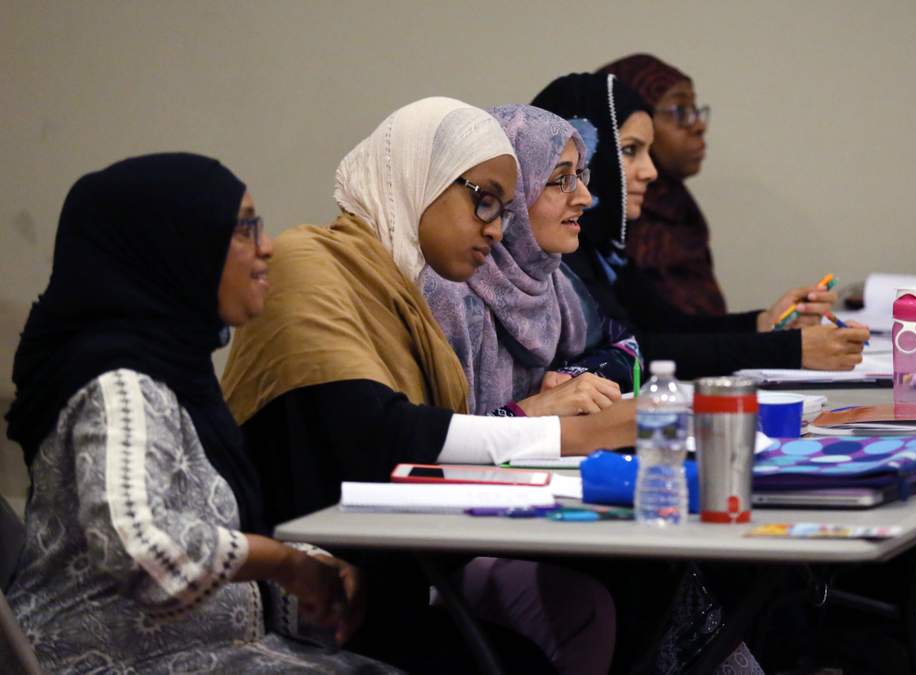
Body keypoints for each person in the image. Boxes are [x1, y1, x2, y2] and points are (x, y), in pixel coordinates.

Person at [221, 97, 634, 674]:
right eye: (484, 201)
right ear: (424, 178)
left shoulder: (408, 294)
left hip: (390, 576)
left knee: (620, 593)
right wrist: (570, 435)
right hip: (312, 599)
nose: (495, 228)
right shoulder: (308, 262)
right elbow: (383, 435)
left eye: (506, 211)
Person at [2, 153, 392, 673]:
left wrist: (311, 579)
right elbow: (139, 550)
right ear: (176, 248)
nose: (267, 247)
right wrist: (282, 561)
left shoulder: (176, 375)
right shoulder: (120, 386)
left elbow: (201, 543)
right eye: (243, 229)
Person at [531, 72, 869, 379]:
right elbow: (637, 353)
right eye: (630, 150)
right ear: (589, 152)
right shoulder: (553, 254)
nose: (651, 171)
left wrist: (763, 324)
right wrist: (790, 349)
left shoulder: (601, 247)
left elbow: (663, 325)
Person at [422, 103, 640, 417]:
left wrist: (573, 378)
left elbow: (630, 348)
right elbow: (423, 440)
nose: (584, 198)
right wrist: (529, 412)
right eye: (562, 178)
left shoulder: (555, 281)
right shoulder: (445, 291)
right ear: (514, 191)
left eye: (580, 175)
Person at [599, 53, 727, 317]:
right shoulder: (608, 223)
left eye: (694, 110)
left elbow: (695, 329)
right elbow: (648, 339)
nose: (699, 125)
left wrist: (767, 326)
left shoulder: (679, 208)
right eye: (679, 111)